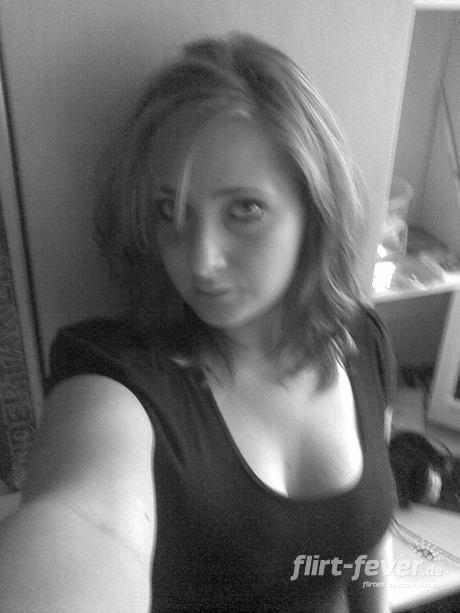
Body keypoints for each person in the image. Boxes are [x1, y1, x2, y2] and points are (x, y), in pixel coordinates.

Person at [0, 33, 397, 611]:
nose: (200, 260)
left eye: (245, 210)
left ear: (315, 210)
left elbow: (368, 532)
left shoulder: (362, 340)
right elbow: (86, 520)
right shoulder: (115, 378)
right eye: (171, 211)